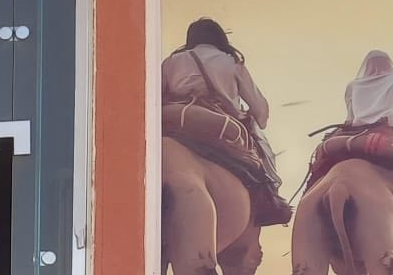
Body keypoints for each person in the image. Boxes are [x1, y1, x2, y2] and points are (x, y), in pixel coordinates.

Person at [159, 16, 291, 227]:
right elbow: (261, 113)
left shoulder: (170, 63)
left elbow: (158, 97)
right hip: (220, 123)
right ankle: (270, 201)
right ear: (219, 38)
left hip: (175, 118)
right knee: (261, 158)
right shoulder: (231, 63)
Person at [303, 50, 393, 189]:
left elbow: (349, 119)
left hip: (354, 139)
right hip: (386, 136)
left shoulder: (353, 85)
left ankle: (309, 193)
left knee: (321, 157)